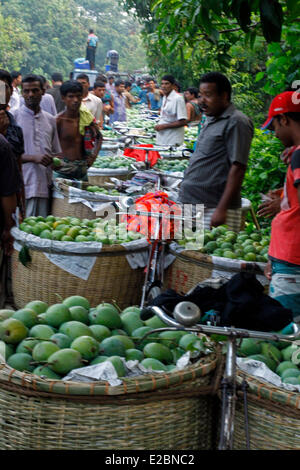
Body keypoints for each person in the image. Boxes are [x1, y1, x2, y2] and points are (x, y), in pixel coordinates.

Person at [179, 72, 253, 232]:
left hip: (215, 207)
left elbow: (238, 167)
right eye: (200, 95)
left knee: (213, 251)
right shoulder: (211, 118)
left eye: (208, 95)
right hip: (193, 202)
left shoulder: (237, 121)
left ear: (224, 96)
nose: (202, 101)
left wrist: (222, 209)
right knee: (189, 252)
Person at [261, 91, 300, 321]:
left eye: (274, 126)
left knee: (287, 336)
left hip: (293, 258)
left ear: (284, 119)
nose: (274, 133)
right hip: (287, 257)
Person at [12, 74, 62, 218]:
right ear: (22, 93)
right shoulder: (13, 118)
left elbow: (56, 154)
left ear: (43, 91)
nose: (30, 95)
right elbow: (7, 157)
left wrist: (54, 162)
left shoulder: (50, 120)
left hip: (44, 186)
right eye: (26, 91)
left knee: (40, 231)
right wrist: (33, 157)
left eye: (35, 90)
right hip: (20, 187)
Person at [55, 80, 102, 181]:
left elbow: (99, 137)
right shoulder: (58, 121)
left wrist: (93, 156)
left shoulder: (86, 119)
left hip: (82, 169)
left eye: (78, 96)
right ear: (63, 98)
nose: (75, 100)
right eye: (71, 96)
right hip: (63, 171)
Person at [155, 74, 187, 146]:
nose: (164, 86)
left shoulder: (178, 99)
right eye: (162, 84)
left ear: (173, 85)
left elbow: (183, 122)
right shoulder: (164, 98)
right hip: (163, 137)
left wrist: (164, 126)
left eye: (167, 84)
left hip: (173, 139)